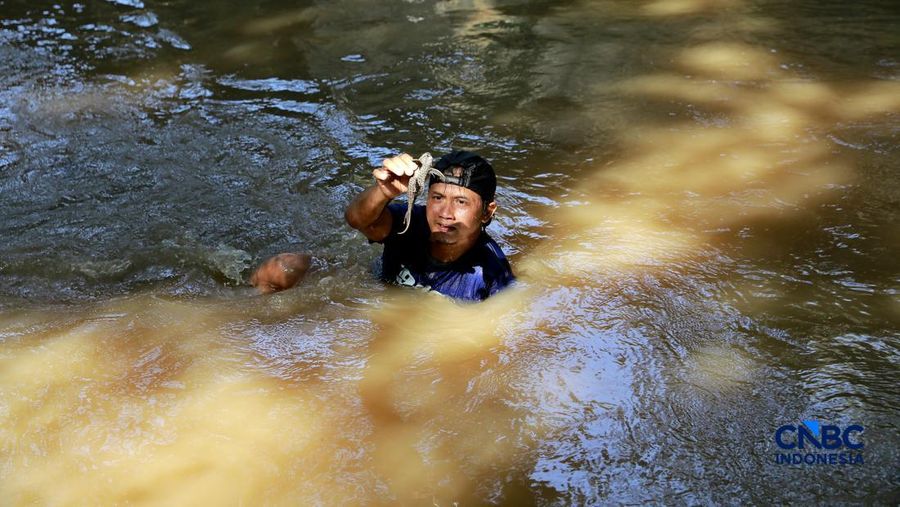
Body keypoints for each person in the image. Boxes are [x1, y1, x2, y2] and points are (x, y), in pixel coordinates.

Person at [345, 150, 514, 301]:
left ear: (487, 212)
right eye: (438, 198)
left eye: (461, 202)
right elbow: (357, 220)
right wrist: (384, 192)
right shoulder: (409, 223)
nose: (445, 213)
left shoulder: (491, 278)